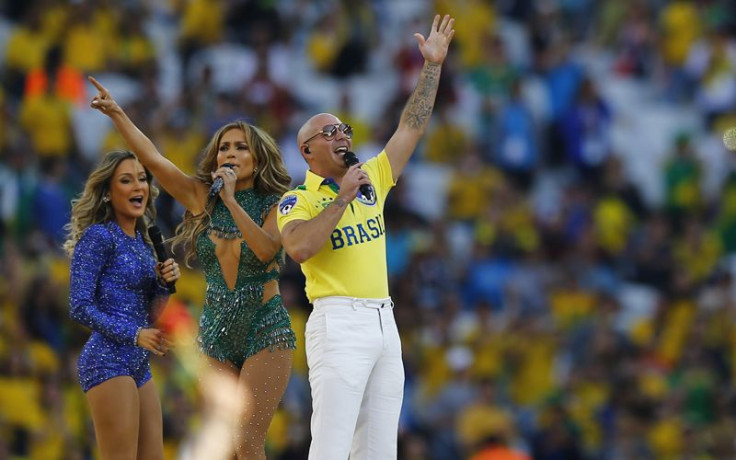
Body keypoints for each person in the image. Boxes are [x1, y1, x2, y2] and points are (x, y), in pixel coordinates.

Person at [88, 76, 296, 459]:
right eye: (223, 148)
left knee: (247, 443)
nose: (229, 154)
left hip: (265, 328)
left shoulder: (278, 202)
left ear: (258, 157)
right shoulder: (202, 195)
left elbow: (266, 250)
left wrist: (232, 201)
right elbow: (153, 160)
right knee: (223, 442)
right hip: (215, 332)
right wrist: (118, 114)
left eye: (240, 147)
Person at [277, 14, 455, 460]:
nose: (342, 135)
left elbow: (411, 127)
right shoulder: (297, 200)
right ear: (307, 151)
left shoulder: (371, 174)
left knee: (379, 452)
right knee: (332, 448)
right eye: (330, 131)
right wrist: (341, 199)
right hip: (337, 321)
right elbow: (298, 248)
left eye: (345, 129)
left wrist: (431, 66)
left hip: (383, 319)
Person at [63, 150, 180, 460]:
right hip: (107, 361)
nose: (138, 187)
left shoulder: (143, 244)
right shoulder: (99, 237)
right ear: (107, 193)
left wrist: (164, 284)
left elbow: (151, 310)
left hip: (138, 364)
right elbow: (79, 306)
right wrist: (134, 334)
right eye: (126, 181)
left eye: (142, 179)